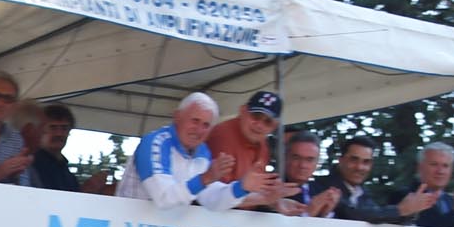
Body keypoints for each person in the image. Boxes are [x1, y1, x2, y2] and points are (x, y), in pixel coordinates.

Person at [116, 92, 276, 210]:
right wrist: (206, 177)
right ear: (177, 117)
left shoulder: (201, 151)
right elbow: (164, 198)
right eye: (195, 121)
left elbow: (211, 200)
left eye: (206, 125)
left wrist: (242, 187)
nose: (199, 130)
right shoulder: (156, 142)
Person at [309, 136, 436, 224]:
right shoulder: (320, 186)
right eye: (354, 160)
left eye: (366, 162)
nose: (359, 167)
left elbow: (378, 217)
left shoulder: (364, 195)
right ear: (341, 160)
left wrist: (411, 211)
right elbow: (355, 214)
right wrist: (400, 210)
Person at [204, 91, 296, 210]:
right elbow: (218, 196)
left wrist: (275, 203)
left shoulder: (262, 144)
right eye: (256, 116)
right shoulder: (223, 136)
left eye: (267, 122)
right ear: (242, 111)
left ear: (274, 126)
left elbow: (252, 192)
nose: (259, 125)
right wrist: (266, 199)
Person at [29, 103, 110, 194]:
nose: (59, 133)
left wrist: (88, 188)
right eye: (53, 127)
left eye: (64, 128)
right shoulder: (32, 163)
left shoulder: (65, 170)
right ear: (39, 130)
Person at [273, 131, 340, 217]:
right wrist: (310, 211)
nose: (302, 165)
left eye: (309, 160)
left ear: (317, 163)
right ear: (285, 158)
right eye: (296, 158)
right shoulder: (271, 189)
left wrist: (325, 212)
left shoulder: (321, 191)